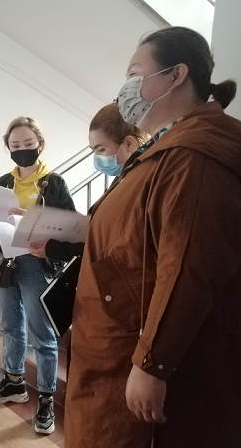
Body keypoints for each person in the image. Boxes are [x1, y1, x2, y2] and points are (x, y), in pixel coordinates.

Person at [65, 27, 241, 448]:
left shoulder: (193, 157)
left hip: (133, 358)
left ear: (176, 75)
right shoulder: (165, 148)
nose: (125, 89)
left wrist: (152, 364)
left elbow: (188, 268)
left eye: (134, 73)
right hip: (114, 347)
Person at [0, 116, 76, 435]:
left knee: (42, 334)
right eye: (15, 145)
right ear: (8, 147)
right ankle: (14, 381)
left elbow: (71, 230)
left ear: (39, 144)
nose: (22, 149)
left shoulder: (55, 183)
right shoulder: (3, 182)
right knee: (9, 325)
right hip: (4, 260)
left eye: (28, 144)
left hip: (36, 264)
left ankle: (46, 398)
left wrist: (32, 222)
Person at [28, 103, 148, 261]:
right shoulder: (123, 179)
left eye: (101, 149)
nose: (97, 158)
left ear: (129, 144)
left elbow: (114, 244)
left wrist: (57, 249)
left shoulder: (139, 183)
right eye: (94, 151)